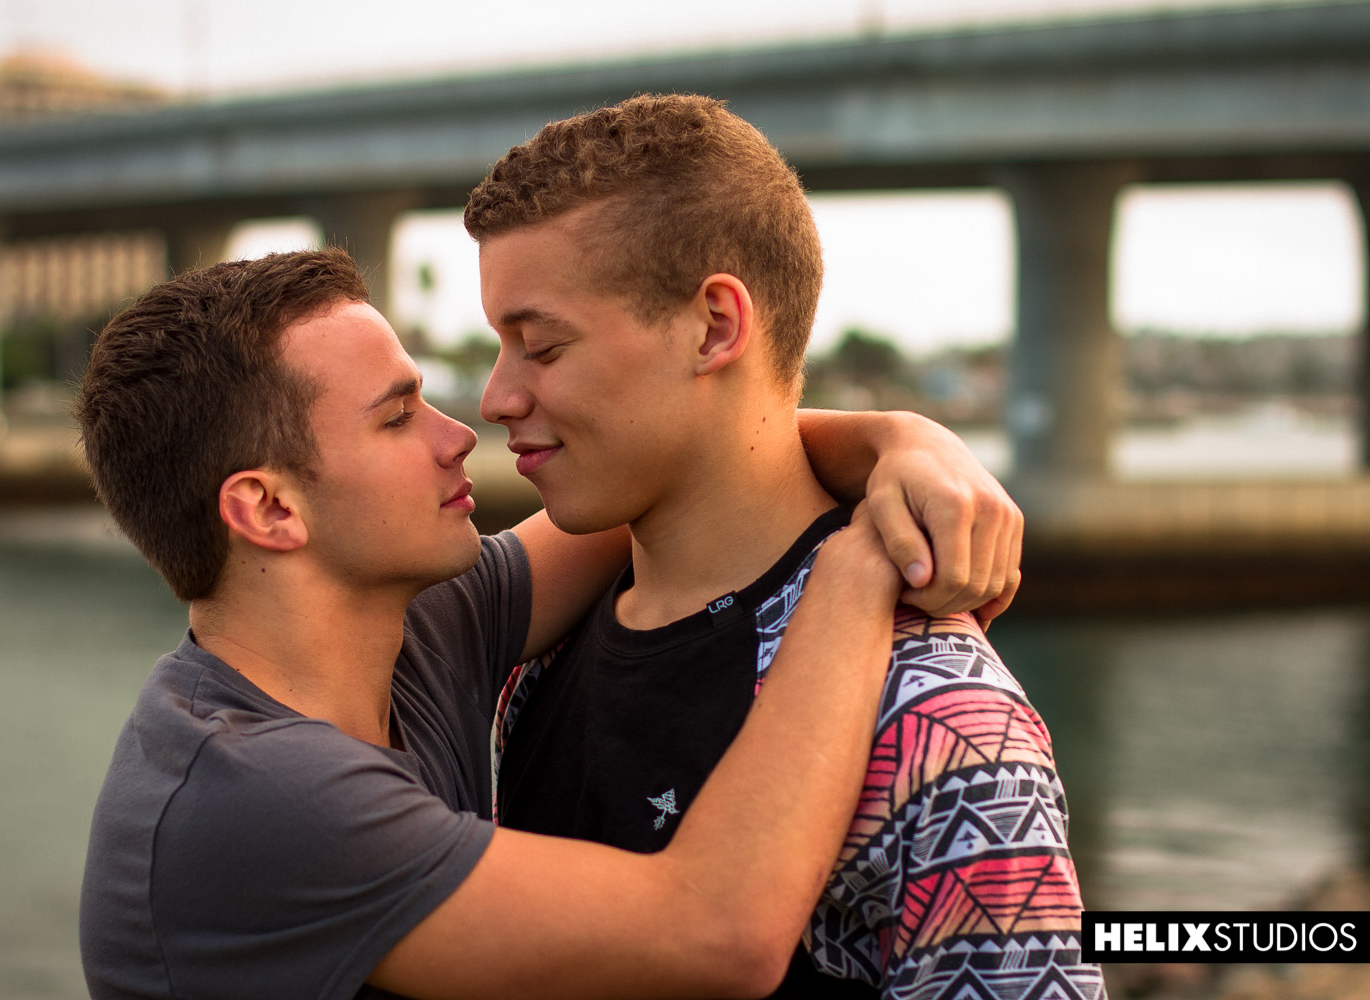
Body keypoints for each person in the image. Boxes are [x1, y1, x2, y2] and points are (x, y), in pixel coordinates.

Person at [74, 248, 1020, 999]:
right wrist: (858, 567)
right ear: (271, 509)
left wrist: (902, 442)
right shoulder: (255, 799)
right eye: (398, 418)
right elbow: (719, 934)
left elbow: (702, 459)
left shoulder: (409, 630)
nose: (460, 432)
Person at [468, 94, 1106, 999]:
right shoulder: (541, 644)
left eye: (541, 347)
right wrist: (894, 436)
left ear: (715, 326)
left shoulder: (939, 720)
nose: (495, 398)